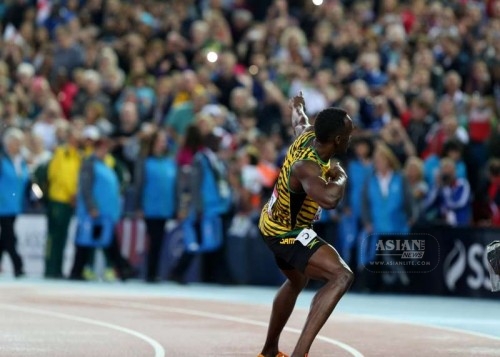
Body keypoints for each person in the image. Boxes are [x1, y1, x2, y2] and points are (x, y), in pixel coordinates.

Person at [257, 92, 354, 357]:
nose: (351, 137)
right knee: (341, 275)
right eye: (348, 133)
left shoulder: (308, 134)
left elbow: (298, 121)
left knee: (296, 281)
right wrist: (341, 176)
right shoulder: (307, 166)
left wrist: (297, 106)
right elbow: (328, 199)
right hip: (287, 233)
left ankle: (269, 351)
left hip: (272, 221)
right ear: (336, 139)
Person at [134, 129, 177, 283]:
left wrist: (177, 207)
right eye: (160, 140)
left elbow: (174, 187)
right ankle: (150, 272)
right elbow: (139, 185)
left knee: (159, 241)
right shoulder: (145, 161)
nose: (163, 143)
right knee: (152, 240)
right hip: (150, 207)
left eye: (164, 141)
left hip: (165, 207)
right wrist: (138, 206)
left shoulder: (169, 162)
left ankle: (154, 272)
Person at [0, 128, 30, 278]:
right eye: (14, 142)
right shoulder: (2, 160)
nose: (17, 145)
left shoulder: (21, 162)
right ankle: (18, 266)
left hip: (14, 205)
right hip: (2, 204)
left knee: (5, 237)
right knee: (10, 237)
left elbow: (26, 183)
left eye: (19, 143)